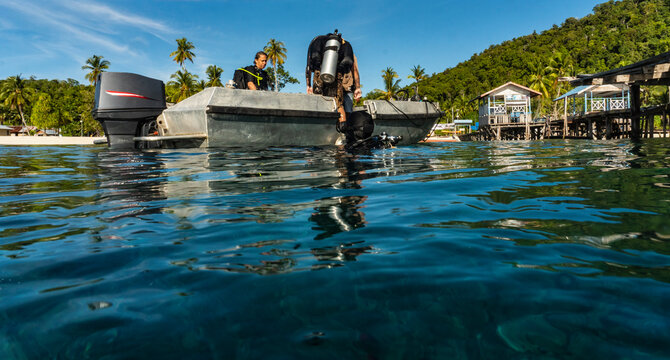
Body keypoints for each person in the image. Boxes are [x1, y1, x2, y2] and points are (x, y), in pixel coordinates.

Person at [305, 32, 360, 126]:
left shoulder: (320, 47)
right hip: (337, 75)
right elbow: (354, 69)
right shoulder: (344, 50)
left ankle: (319, 127)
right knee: (338, 103)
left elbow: (308, 67)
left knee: (318, 101)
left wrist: (308, 85)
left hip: (319, 74)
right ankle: (343, 129)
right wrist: (358, 87)